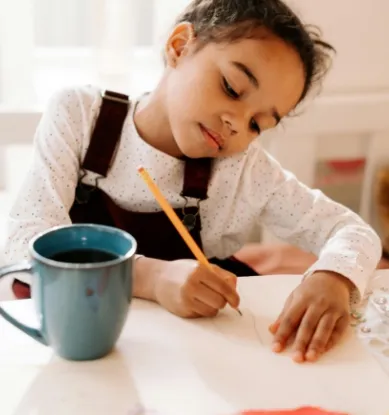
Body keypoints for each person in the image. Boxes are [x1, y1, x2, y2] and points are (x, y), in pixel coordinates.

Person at [3, 0, 381, 363]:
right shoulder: (80, 117)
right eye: (232, 88)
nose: (236, 124)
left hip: (194, 353)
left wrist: (333, 276)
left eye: (257, 124)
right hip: (82, 339)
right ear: (180, 46)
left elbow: (352, 231)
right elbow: (25, 243)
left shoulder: (242, 169)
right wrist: (151, 277)